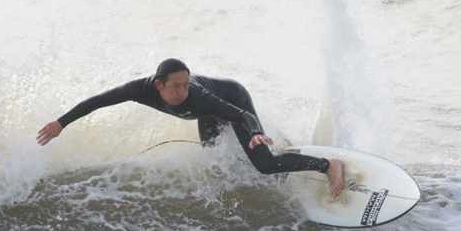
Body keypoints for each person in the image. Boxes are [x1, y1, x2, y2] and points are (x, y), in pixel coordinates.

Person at [37, 58, 345, 196]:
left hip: (232, 99)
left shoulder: (198, 96)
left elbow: (240, 114)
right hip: (206, 116)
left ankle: (327, 165)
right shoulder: (138, 89)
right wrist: (61, 123)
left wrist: (255, 133)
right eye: (177, 86)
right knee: (214, 159)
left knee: (264, 165)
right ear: (159, 85)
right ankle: (284, 156)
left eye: (186, 84)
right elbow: (98, 101)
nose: (183, 91)